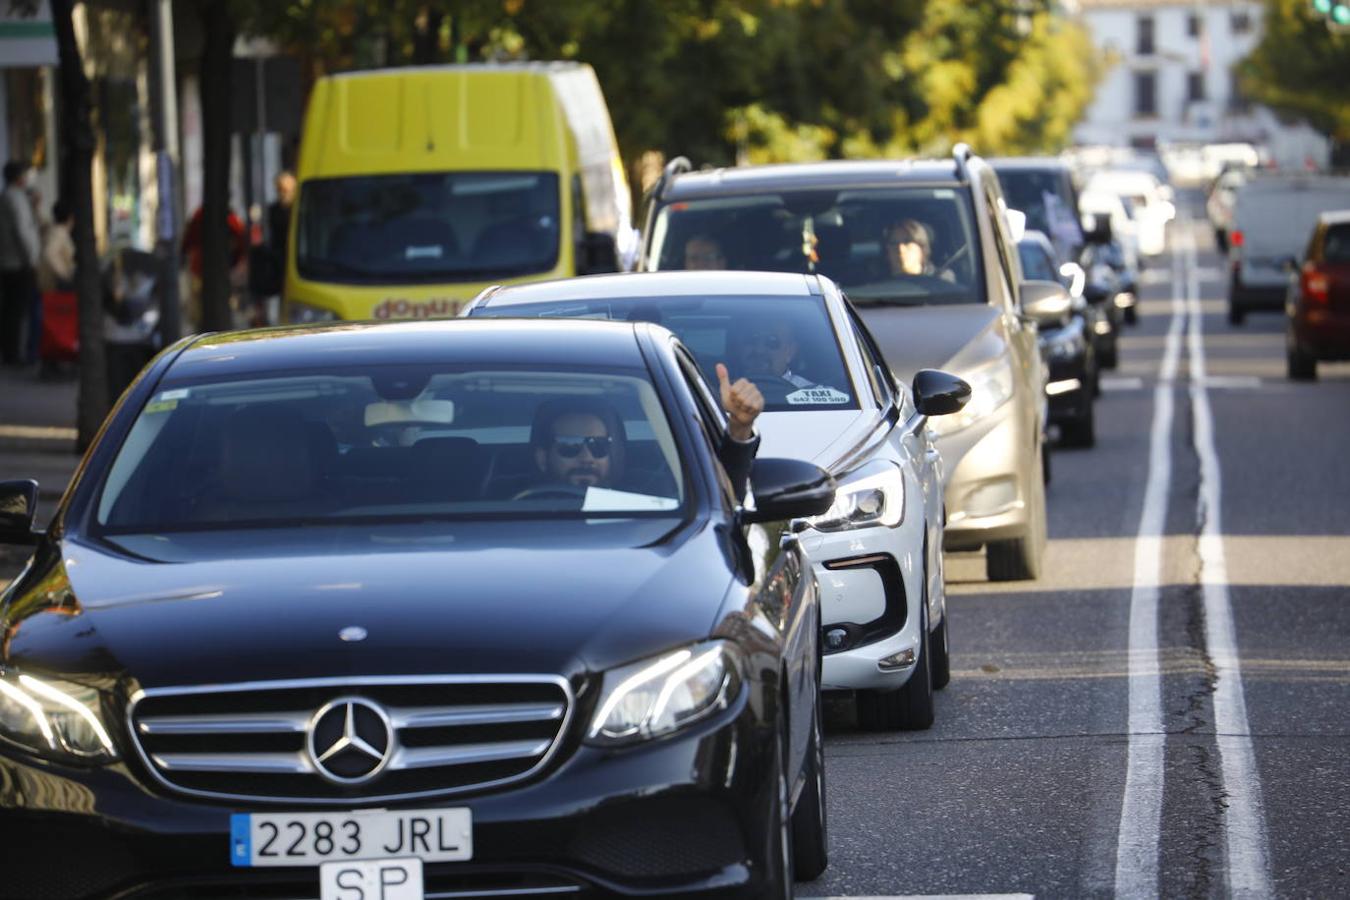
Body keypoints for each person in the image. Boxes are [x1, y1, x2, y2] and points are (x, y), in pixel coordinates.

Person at [527, 371, 764, 500]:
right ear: (541, 457)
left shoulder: (662, 498)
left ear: (613, 452)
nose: (587, 457)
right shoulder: (512, 505)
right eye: (571, 446)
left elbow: (727, 500)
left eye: (598, 446)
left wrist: (740, 427)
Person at [0, 161, 41, 365]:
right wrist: (31, 259)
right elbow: (22, 231)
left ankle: (12, 351)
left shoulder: (12, 196)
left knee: (13, 308)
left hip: (12, 261)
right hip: (18, 262)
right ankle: (13, 354)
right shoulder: (14, 198)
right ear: (19, 177)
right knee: (17, 310)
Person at [38, 201, 75, 294]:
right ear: (70, 217)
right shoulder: (59, 233)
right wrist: (64, 275)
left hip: (50, 286)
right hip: (56, 287)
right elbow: (50, 254)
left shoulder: (52, 230)